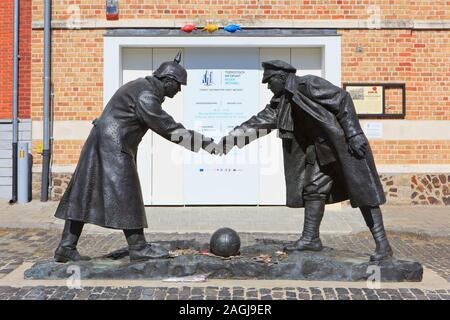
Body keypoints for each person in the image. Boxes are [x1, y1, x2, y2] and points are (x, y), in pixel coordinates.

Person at [218, 60, 393, 261]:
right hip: (322, 151)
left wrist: (354, 134)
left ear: (281, 78)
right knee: (313, 189)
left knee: (364, 194)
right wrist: (230, 140)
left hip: (344, 146)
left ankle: (383, 246)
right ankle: (310, 239)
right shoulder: (282, 102)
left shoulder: (307, 85)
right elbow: (259, 122)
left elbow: (342, 98)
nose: (267, 86)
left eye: (269, 81)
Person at [54, 52, 218, 263]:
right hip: (113, 148)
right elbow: (166, 127)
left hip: (102, 144)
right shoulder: (146, 95)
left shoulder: (141, 86)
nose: (179, 90)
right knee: (127, 193)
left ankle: (66, 247)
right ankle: (138, 247)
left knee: (84, 193)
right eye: (178, 85)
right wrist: (203, 143)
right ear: (168, 80)